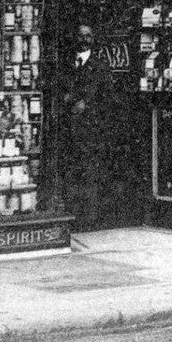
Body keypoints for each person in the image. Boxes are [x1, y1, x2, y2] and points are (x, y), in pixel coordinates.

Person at [60, 23, 114, 229]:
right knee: (71, 171)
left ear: (93, 39)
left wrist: (87, 105)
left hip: (90, 130)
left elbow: (107, 98)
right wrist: (66, 99)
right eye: (81, 35)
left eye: (88, 36)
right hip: (69, 128)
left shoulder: (100, 65)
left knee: (90, 173)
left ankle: (89, 219)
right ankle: (70, 215)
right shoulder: (66, 63)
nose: (84, 40)